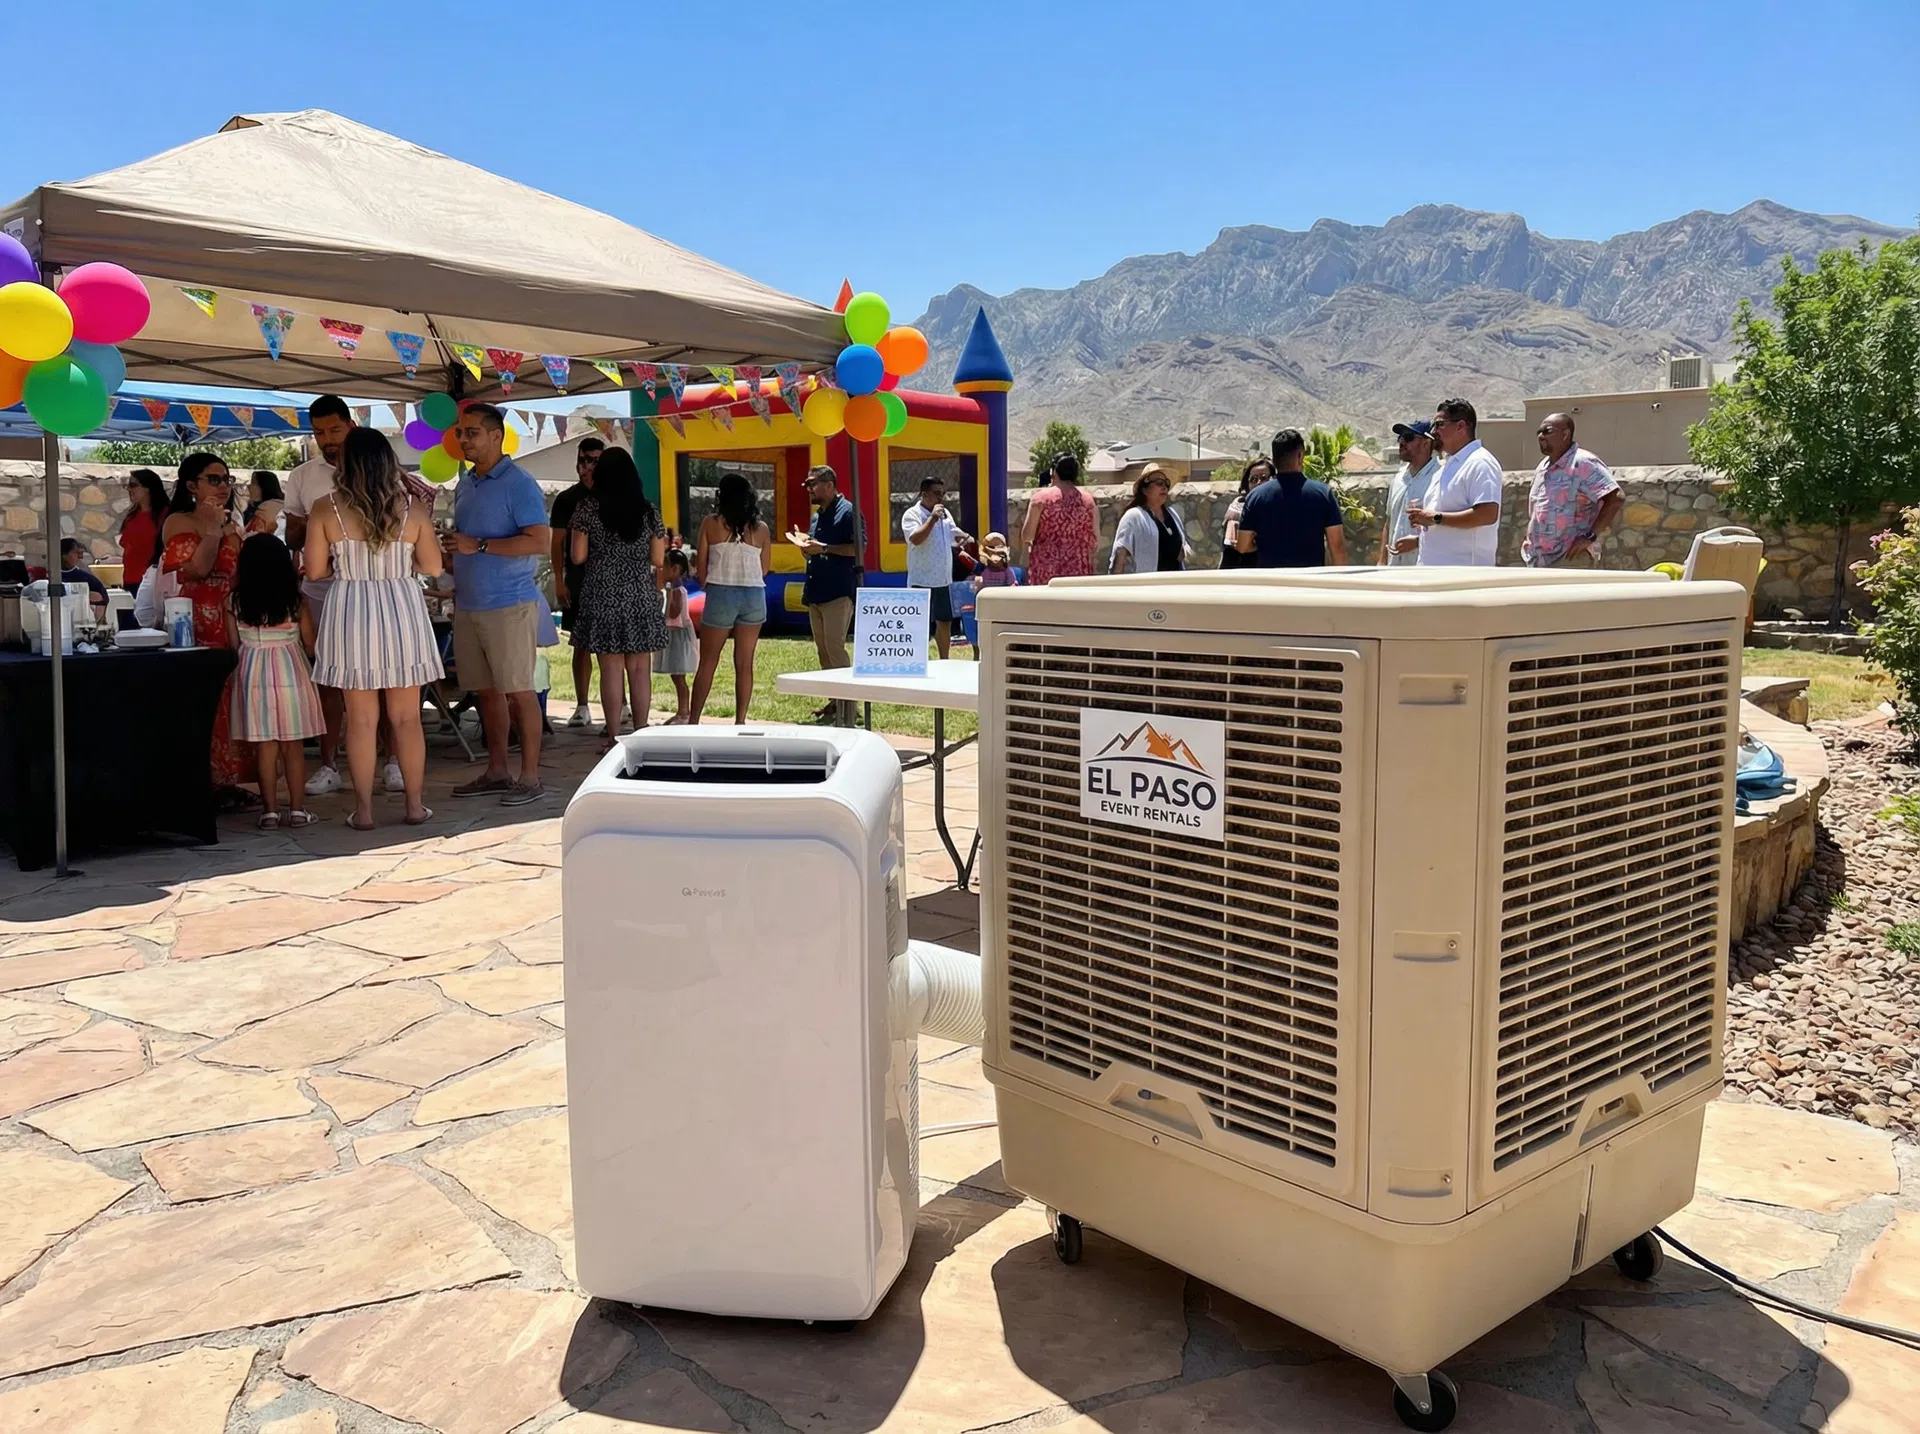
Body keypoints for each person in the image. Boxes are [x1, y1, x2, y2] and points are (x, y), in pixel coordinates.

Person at [306, 428, 445, 830]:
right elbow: (434, 567)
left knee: (361, 719)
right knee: (406, 719)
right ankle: (415, 806)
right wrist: (403, 566)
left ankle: (364, 811)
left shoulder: (324, 509)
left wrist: (344, 564)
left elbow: (315, 570)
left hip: (350, 609)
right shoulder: (413, 509)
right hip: (401, 609)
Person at [449, 402, 550, 805]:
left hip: (509, 604)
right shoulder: (465, 482)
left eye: (472, 432)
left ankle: (529, 777)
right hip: (470, 603)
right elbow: (468, 541)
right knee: (486, 692)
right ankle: (496, 770)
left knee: (519, 691)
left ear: (496, 436)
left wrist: (481, 545)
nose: (463, 440)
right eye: (460, 432)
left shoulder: (520, 484)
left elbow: (540, 541)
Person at [161, 453, 251, 803]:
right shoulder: (179, 522)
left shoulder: (233, 525)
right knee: (206, 699)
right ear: (191, 486)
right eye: (214, 479)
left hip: (231, 615)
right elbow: (196, 570)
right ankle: (205, 781)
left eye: (227, 479)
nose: (223, 486)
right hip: (194, 617)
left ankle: (231, 781)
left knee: (233, 697)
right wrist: (214, 530)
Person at [567, 446, 667, 749]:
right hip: (639, 595)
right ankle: (640, 733)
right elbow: (659, 559)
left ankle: (613, 737)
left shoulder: (586, 508)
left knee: (610, 668)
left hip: (603, 595)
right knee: (639, 669)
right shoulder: (649, 511)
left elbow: (577, 556)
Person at [284, 395, 356, 797]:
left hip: (367, 585)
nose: (326, 440)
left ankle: (393, 759)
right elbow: (292, 536)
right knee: (327, 678)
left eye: (333, 430)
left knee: (377, 678)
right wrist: (321, 523)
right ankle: (329, 764)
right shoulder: (303, 476)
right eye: (318, 432)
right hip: (321, 586)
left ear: (350, 426)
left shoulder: (376, 470)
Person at [228, 533, 324, 830]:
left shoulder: (233, 601)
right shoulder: (296, 601)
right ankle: (297, 809)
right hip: (290, 672)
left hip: (252, 674)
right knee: (292, 747)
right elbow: (311, 645)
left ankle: (269, 811)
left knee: (265, 748)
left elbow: (234, 645)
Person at [689, 472, 771, 725]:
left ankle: (693, 721)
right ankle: (740, 721)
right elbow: (765, 568)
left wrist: (705, 581)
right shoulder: (761, 529)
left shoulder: (711, 523)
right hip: (754, 595)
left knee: (708, 663)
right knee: (745, 663)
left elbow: (701, 570)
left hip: (721, 592)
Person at [789, 464, 860, 726]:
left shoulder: (849, 512)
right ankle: (834, 702)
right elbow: (819, 549)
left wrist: (825, 548)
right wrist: (806, 547)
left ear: (829, 485)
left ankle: (848, 707)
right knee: (823, 651)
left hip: (838, 592)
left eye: (812, 484)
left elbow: (858, 549)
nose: (808, 489)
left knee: (835, 648)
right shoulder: (818, 515)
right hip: (816, 590)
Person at [1234, 430, 1349, 567]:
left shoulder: (1256, 497)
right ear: (1300, 456)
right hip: (1310, 582)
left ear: (1274, 459)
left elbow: (1242, 546)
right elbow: (1337, 548)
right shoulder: (1323, 494)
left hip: (1270, 582)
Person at [548, 437, 602, 729]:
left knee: (612, 647)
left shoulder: (616, 496)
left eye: (593, 460)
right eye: (583, 460)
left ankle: (621, 704)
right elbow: (556, 543)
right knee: (580, 644)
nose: (587, 466)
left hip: (609, 580)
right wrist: (559, 579)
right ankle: (582, 705)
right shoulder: (567, 499)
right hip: (579, 579)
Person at [1411, 398, 1504, 566]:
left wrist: (1435, 518)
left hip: (1464, 574)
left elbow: (1487, 514)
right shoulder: (1447, 466)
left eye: (1439, 425)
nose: (1433, 431)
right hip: (1435, 572)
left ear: (1461, 426)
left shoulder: (1480, 462)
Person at [1524, 412, 1623, 568]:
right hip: (1539, 561)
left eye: (1547, 431)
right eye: (1539, 432)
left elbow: (1615, 497)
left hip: (1571, 559)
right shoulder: (1543, 467)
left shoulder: (1583, 463)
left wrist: (1590, 537)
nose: (1541, 436)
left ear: (1565, 434)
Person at [901, 474, 971, 658]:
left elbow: (950, 536)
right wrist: (932, 518)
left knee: (945, 621)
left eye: (944, 494)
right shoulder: (912, 514)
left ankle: (944, 659)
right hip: (921, 579)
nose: (942, 498)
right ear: (924, 495)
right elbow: (915, 539)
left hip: (943, 578)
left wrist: (962, 538)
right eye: (937, 493)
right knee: (919, 622)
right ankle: (918, 659)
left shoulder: (945, 514)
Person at [1019, 452, 1098, 585]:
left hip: (1047, 574)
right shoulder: (1088, 502)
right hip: (1078, 575)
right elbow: (1095, 541)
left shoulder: (1040, 499)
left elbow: (1027, 536)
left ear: (1054, 472)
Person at [1379, 421, 1441, 566]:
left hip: (1425, 569)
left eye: (1408, 437)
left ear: (1426, 443)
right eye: (1399, 437)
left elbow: (1447, 525)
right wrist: (1382, 561)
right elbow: (1389, 522)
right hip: (1394, 569)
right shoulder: (1399, 478)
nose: (1401, 442)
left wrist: (1417, 542)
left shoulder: (1441, 477)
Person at [1110, 464, 1192, 573]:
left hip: (1174, 585)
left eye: (1166, 483)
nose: (1164, 487)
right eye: (1159, 483)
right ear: (1145, 490)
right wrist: (1115, 585)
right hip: (1148, 586)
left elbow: (1181, 550)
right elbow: (1119, 553)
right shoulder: (1134, 517)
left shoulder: (1173, 515)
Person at [658, 549, 696, 723]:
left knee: (679, 676)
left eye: (665, 566)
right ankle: (682, 710)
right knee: (675, 675)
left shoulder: (678, 590)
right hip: (673, 634)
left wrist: (668, 592)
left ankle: (684, 711)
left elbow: (674, 613)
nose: (661, 570)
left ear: (675, 569)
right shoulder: (674, 588)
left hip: (678, 637)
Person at [118, 468, 167, 592]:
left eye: (133, 485)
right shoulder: (131, 516)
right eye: (128, 485)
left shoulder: (166, 516)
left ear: (148, 488)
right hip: (130, 580)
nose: (129, 489)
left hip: (155, 581)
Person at [1220, 460, 1271, 570]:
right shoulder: (1237, 509)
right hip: (1245, 570)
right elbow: (1232, 549)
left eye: (1263, 478)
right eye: (1253, 479)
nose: (1258, 483)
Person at [58, 540, 109, 617]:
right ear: (63, 554)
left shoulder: (86, 579)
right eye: (76, 552)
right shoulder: (50, 578)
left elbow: (103, 599)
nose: (80, 557)